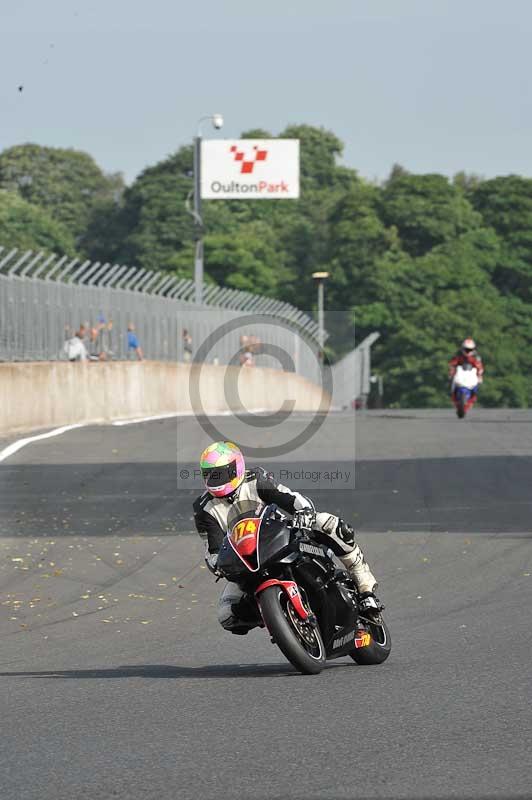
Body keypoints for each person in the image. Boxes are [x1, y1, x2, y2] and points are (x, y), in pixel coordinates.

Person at [193, 441, 383, 635]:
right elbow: (213, 549)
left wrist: (304, 511)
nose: (216, 480)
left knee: (327, 523)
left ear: (236, 467)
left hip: (280, 538)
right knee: (227, 615)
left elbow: (290, 498)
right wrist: (218, 564)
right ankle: (275, 615)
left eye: (220, 474)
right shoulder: (203, 508)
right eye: (210, 475)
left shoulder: (256, 479)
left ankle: (363, 581)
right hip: (247, 562)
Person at [448, 337, 483, 408]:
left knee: (477, 385)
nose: (468, 351)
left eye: (470, 350)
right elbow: (453, 364)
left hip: (471, 375)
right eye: (466, 349)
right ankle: (454, 398)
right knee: (451, 382)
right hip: (460, 375)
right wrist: (452, 371)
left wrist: (479, 375)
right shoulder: (458, 355)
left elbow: (479, 367)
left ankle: (472, 399)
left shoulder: (476, 357)